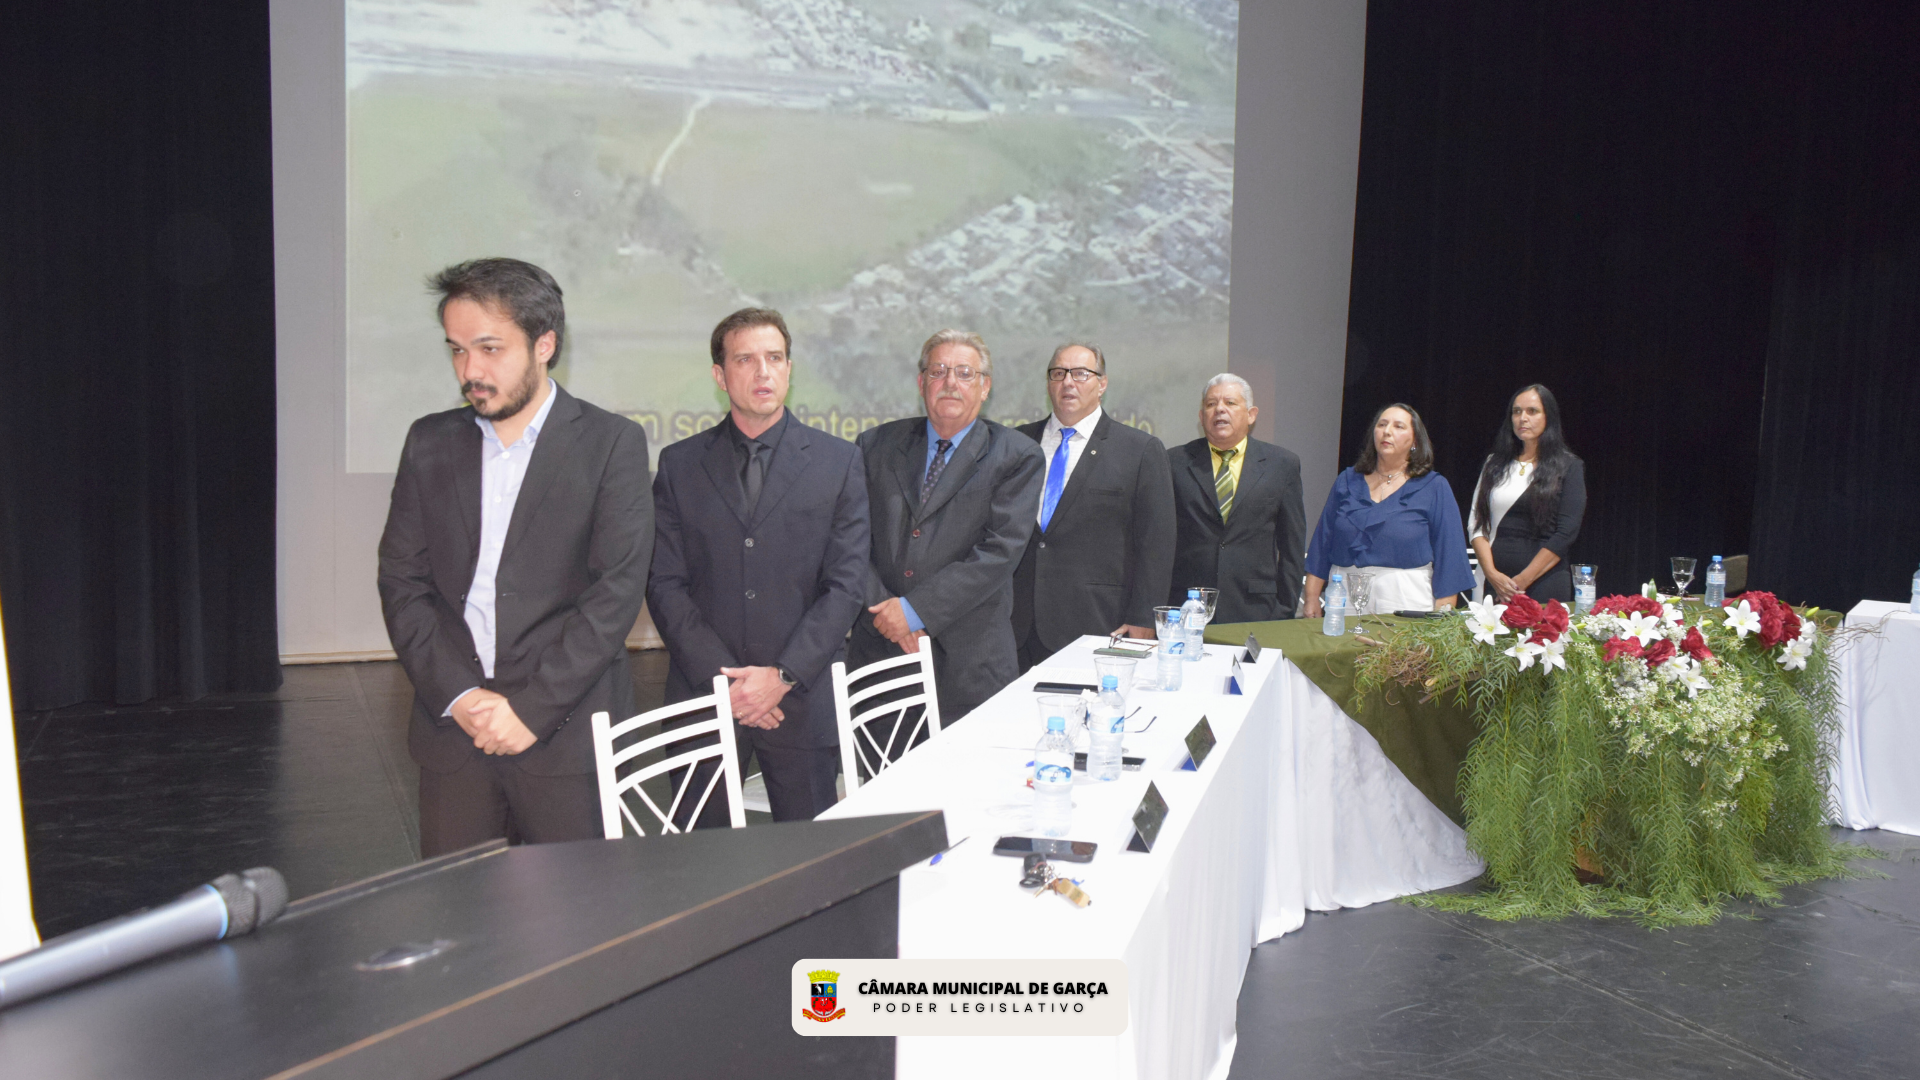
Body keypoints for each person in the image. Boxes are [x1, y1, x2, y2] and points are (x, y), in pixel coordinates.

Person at [378, 258, 653, 855]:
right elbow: (402, 582)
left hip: (565, 734)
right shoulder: (429, 440)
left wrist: (530, 710)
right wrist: (460, 695)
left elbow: (615, 594)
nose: (469, 371)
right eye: (457, 350)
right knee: (461, 906)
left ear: (543, 345)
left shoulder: (611, 443)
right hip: (454, 732)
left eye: (489, 348)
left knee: (575, 907)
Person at [646, 308, 871, 823]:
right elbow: (664, 583)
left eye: (774, 358)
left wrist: (783, 676)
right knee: (704, 857)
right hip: (705, 697)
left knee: (808, 857)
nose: (762, 371)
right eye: (745, 359)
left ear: (790, 368)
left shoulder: (838, 461)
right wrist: (728, 683)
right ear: (720, 375)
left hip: (801, 699)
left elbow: (845, 584)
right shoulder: (680, 464)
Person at [852, 330, 1045, 720]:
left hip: (970, 665)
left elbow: (998, 553)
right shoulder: (874, 445)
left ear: (985, 387)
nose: (950, 383)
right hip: (881, 653)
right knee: (883, 764)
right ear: (921, 382)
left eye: (964, 373)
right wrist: (888, 612)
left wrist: (915, 610)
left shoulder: (1017, 455)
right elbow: (849, 538)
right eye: (938, 371)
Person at [1011, 344, 1175, 670]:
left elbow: (1156, 544)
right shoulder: (1017, 443)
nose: (1067, 382)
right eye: (1058, 373)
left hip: (1097, 623)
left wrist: (1144, 617)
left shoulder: (1139, 450)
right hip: (1017, 626)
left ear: (1102, 384)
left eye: (1080, 374)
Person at [1303, 402, 1474, 616]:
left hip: (1405, 596)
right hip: (1345, 594)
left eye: (1398, 426)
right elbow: (1322, 542)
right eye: (1382, 424)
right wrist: (1311, 598)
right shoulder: (1347, 481)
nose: (1387, 431)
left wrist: (1443, 617)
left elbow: (1449, 554)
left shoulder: (1434, 486)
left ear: (1415, 441)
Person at [1167, 373, 1308, 622]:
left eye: (1230, 403)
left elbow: (1291, 546)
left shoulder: (1282, 465)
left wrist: (1285, 609)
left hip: (1257, 609)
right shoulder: (1174, 462)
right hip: (1187, 607)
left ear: (1251, 415)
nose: (1220, 409)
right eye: (1211, 404)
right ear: (1201, 416)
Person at [1467, 384, 1586, 603]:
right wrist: (1492, 575)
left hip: (1544, 583)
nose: (1523, 418)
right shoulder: (1494, 464)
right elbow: (1476, 523)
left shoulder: (1569, 466)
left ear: (1548, 417)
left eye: (1532, 411)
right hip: (1493, 582)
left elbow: (1566, 533)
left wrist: (1521, 581)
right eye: (1517, 411)